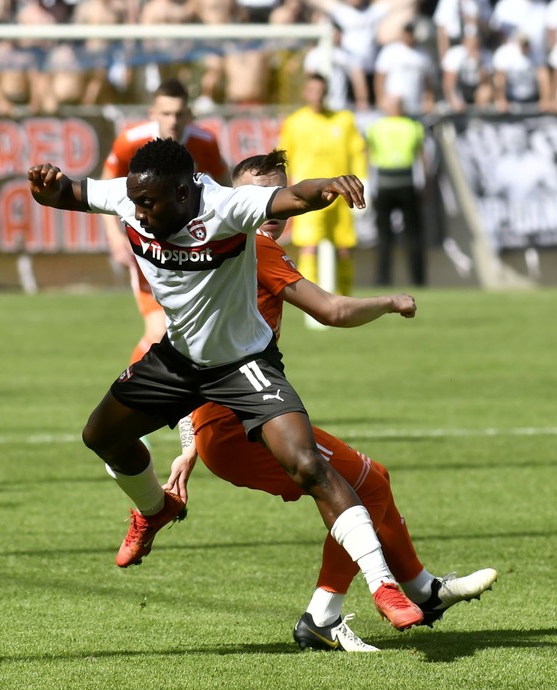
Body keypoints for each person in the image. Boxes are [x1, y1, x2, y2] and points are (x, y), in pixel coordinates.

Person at [27, 138, 424, 631]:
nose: (138, 211)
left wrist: (328, 187)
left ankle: (384, 586)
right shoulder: (131, 196)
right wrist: (47, 188)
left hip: (243, 363)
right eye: (134, 200)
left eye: (149, 203)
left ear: (182, 193)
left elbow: (292, 198)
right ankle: (155, 508)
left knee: (308, 466)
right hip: (177, 359)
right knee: (101, 436)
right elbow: (70, 192)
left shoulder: (225, 206)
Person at [162, 150, 497, 651]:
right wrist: (390, 301)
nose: (272, 210)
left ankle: (421, 590)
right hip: (243, 425)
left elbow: (187, 344)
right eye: (259, 198)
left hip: (226, 422)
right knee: (359, 485)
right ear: (235, 200)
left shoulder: (211, 247)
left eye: (277, 197)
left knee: (371, 480)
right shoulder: (257, 249)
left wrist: (191, 438)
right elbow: (333, 311)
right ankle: (328, 614)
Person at [101, 78, 230, 365]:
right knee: (159, 330)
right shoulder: (130, 141)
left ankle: (180, 405)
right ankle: (130, 399)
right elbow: (105, 187)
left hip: (193, 248)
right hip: (147, 245)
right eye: (166, 113)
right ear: (153, 113)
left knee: (192, 334)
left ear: (189, 114)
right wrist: (113, 236)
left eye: (179, 114)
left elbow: (225, 189)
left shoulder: (205, 142)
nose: (173, 121)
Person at [277, 73, 366, 296]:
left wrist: (364, 181)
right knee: (310, 246)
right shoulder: (295, 122)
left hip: (343, 191)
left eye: (321, 91)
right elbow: (283, 157)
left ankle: (346, 299)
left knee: (344, 247)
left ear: (326, 92)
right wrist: (285, 187)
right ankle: (312, 303)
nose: (317, 95)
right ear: (305, 93)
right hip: (309, 194)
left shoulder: (343, 120)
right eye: (313, 90)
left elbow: (357, 151)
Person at [365, 95, 427, 287]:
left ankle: (383, 280)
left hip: (384, 184)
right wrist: (427, 184)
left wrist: (367, 184)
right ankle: (418, 280)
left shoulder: (376, 127)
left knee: (384, 237)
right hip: (406, 184)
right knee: (413, 236)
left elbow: (366, 154)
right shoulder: (413, 126)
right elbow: (422, 157)